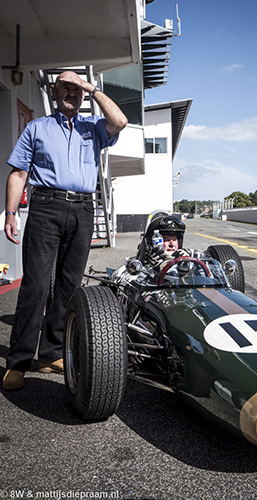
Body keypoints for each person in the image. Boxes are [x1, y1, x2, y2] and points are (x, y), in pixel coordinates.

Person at [2, 70, 127, 391]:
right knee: (37, 285)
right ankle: (17, 361)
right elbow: (19, 173)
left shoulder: (95, 128)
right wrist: (11, 213)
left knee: (69, 285)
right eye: (65, 88)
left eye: (77, 89)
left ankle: (50, 354)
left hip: (84, 209)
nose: (72, 93)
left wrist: (92, 87)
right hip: (46, 206)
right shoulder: (37, 128)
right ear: (55, 93)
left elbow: (121, 121)